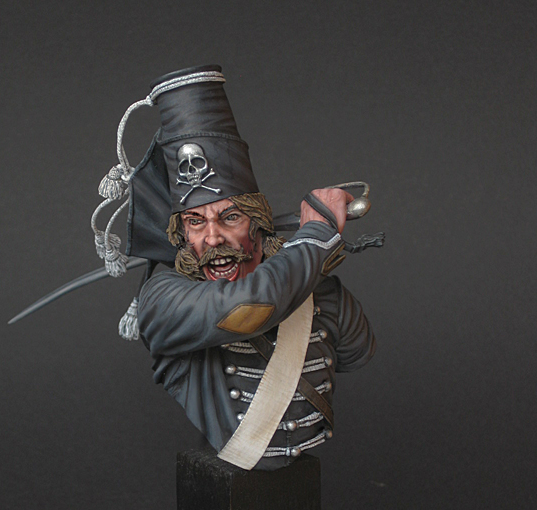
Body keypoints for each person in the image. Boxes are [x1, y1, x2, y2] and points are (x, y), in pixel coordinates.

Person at [95, 65, 377, 470]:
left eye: (230, 218)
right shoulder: (162, 298)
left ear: (257, 224)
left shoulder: (316, 286)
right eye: (195, 222)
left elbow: (356, 349)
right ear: (181, 234)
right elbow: (247, 309)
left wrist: (307, 253)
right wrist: (316, 235)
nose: (212, 238)